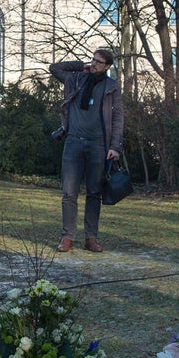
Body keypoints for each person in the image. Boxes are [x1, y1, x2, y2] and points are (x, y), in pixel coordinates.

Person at [49, 49, 123, 253]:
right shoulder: (77, 79)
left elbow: (118, 119)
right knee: (68, 192)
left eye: (99, 62)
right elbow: (55, 68)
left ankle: (91, 237)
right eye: (93, 60)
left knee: (94, 193)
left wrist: (115, 146)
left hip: (98, 144)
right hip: (73, 141)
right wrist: (81, 65)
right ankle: (67, 237)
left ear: (108, 66)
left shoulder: (111, 87)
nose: (94, 64)